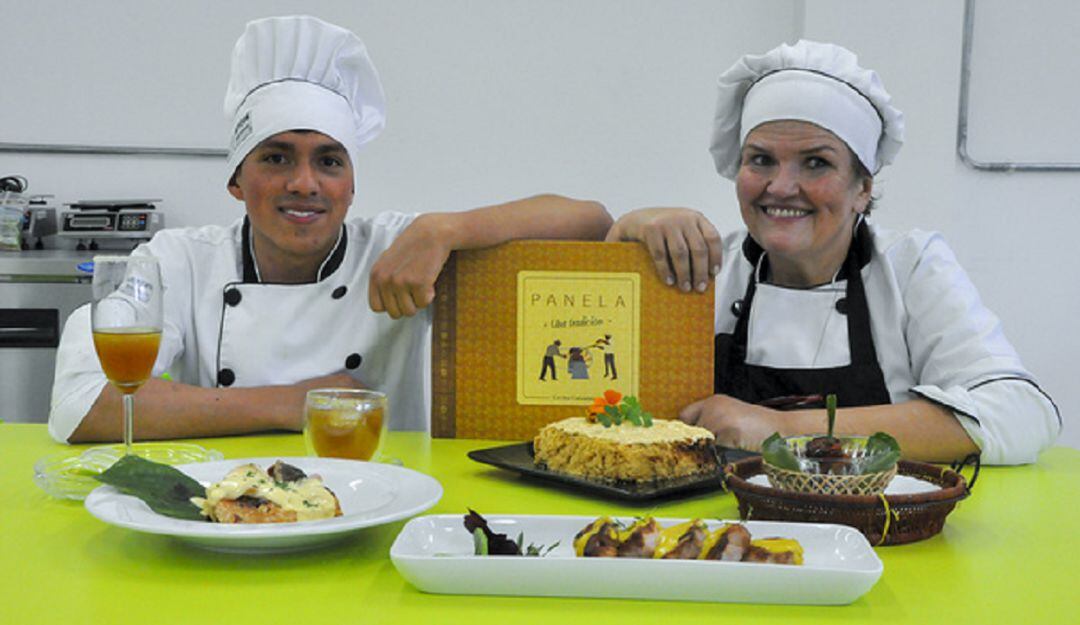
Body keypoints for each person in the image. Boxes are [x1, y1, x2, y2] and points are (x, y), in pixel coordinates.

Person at [49, 15, 611, 443]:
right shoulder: (178, 262)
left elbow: (589, 221)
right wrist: (295, 404)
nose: (305, 183)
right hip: (223, 509)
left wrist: (446, 227)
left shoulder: (400, 250)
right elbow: (82, 402)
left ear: (351, 186)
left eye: (329, 161)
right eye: (276, 158)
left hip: (384, 501)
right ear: (236, 182)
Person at [605, 40, 1059, 464]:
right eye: (761, 159)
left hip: (879, 534)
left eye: (816, 163)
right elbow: (598, 396)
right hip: (721, 534)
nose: (781, 187)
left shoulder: (909, 268)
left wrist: (783, 429)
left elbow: (1019, 413)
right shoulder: (703, 268)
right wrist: (627, 241)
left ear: (863, 187)